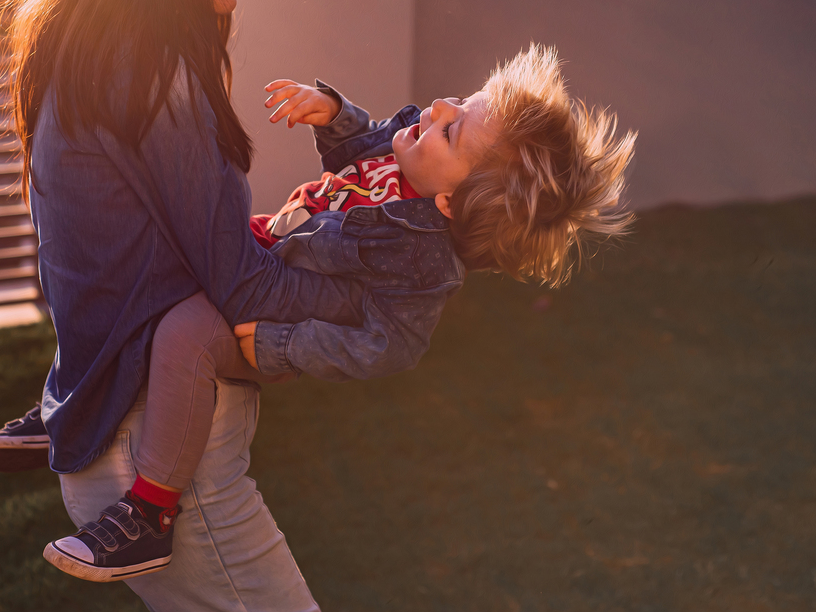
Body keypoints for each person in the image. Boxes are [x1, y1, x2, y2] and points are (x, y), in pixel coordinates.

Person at [35, 42, 638, 581]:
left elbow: (391, 343)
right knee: (162, 261)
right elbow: (364, 142)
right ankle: (80, 397)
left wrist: (280, 346)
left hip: (275, 328)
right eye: (459, 100)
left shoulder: (421, 257)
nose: (438, 108)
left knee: (186, 335)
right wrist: (333, 111)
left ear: (451, 202)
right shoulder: (408, 153)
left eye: (453, 132)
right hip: (266, 250)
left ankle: (148, 514)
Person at [0, 0, 380, 608]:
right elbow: (243, 286)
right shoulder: (155, 76)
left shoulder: (82, 53)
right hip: (167, 467)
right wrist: (380, 294)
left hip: (131, 438)